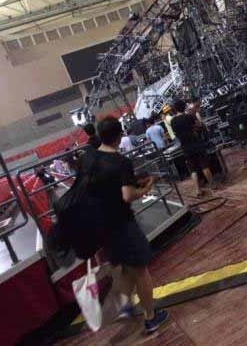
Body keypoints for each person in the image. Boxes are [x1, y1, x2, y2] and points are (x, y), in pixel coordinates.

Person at [79, 116, 169, 334]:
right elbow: (127, 196)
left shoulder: (88, 158)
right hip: (122, 224)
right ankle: (151, 318)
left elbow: (99, 185)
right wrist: (145, 188)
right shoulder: (121, 162)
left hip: (102, 226)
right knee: (140, 270)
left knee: (124, 269)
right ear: (119, 136)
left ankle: (124, 306)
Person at [170, 99, 215, 197]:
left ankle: (198, 190)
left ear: (175, 109)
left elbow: (176, 133)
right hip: (196, 144)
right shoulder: (189, 117)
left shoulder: (173, 121)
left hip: (185, 146)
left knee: (193, 170)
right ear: (184, 107)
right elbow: (198, 125)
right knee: (204, 165)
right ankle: (212, 185)